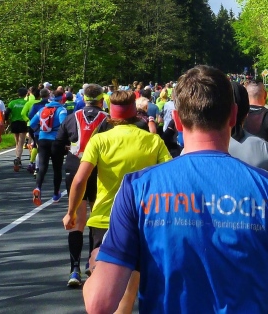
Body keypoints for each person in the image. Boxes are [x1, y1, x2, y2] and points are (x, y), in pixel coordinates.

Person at [83, 66, 268, 313]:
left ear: (177, 120)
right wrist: (265, 281)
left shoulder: (137, 188)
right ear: (233, 115)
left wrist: (96, 264)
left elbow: (99, 303)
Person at [64, 90, 170, 312]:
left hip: (105, 219)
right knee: (128, 293)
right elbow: (169, 178)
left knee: (101, 288)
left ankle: (95, 275)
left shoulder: (100, 140)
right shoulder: (153, 141)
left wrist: (71, 212)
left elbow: (80, 180)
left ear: (110, 113)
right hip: (142, 220)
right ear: (135, 113)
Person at [56, 84, 108, 287]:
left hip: (75, 167)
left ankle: (74, 270)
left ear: (83, 99)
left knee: (77, 219)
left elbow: (58, 144)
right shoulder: (107, 119)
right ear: (102, 100)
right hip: (98, 169)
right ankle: (92, 263)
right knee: (97, 217)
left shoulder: (72, 117)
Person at [29, 89, 67, 205]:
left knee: (42, 166)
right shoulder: (61, 110)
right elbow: (64, 126)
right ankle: (56, 194)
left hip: (42, 139)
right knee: (57, 168)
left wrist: (37, 133)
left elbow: (32, 124)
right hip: (56, 141)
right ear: (61, 99)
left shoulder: (42, 109)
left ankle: (38, 187)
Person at [6, 87, 29, 172]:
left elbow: (7, 112)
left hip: (14, 123)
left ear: (17, 94)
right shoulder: (26, 103)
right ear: (26, 94)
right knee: (21, 142)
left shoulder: (12, 102)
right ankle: (18, 158)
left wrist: (6, 120)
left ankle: (18, 158)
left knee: (17, 142)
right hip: (23, 122)